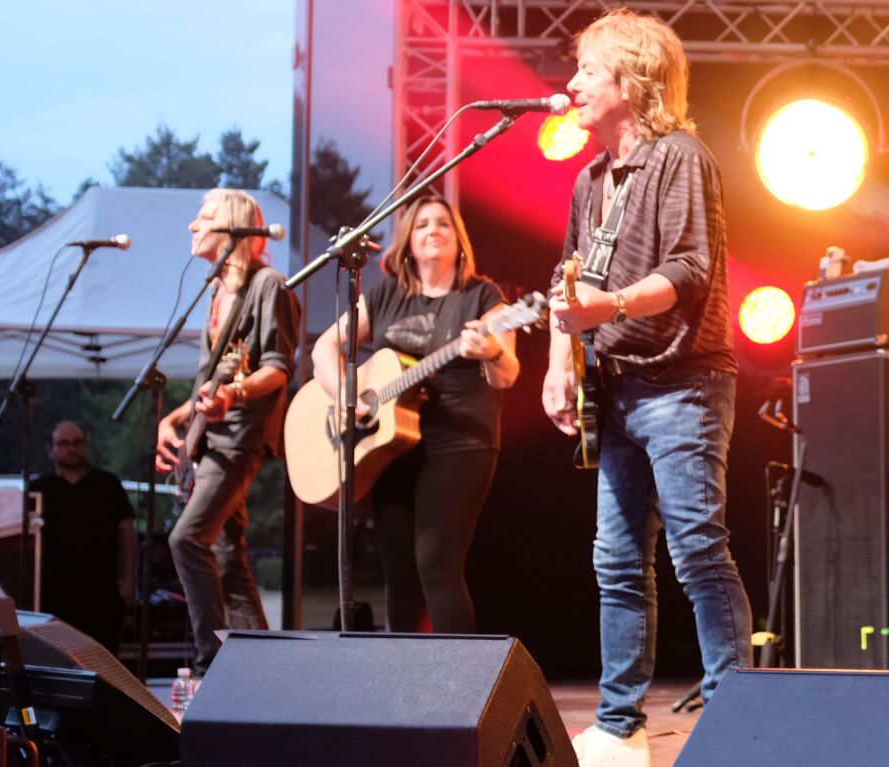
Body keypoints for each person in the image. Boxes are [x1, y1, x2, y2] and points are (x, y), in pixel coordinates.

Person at [540, 10, 752, 767]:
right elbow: (567, 283)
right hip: (616, 387)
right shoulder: (588, 180)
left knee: (697, 548)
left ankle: (737, 716)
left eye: (585, 70)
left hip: (682, 382)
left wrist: (611, 306)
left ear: (628, 82)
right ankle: (620, 723)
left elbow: (690, 272)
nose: (569, 83)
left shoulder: (680, 156)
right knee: (616, 559)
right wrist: (560, 362)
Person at [311, 194, 520, 633]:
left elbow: (506, 375)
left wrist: (490, 352)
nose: (432, 230)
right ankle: (405, 688)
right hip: (392, 444)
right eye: (422, 224)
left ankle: (461, 689)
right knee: (399, 572)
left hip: (461, 440)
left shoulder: (484, 297)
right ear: (407, 242)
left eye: (443, 224)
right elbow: (324, 347)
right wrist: (348, 397)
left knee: (436, 562)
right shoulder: (387, 293)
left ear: (459, 240)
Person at [155, 189, 299, 674]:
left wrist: (233, 397)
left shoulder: (268, 285)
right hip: (212, 438)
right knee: (227, 555)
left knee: (186, 540)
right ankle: (258, 671)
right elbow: (210, 379)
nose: (192, 226)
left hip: (240, 440)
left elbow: (278, 367)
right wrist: (175, 418)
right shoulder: (219, 292)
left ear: (234, 225)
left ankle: (210, 666)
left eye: (204, 217)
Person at [32, 421, 137, 655]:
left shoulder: (108, 484)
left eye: (77, 442)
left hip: (102, 591)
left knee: (104, 659)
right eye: (63, 443)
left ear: (86, 446)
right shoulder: (37, 488)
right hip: (52, 592)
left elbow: (127, 531)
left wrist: (128, 581)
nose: (71, 448)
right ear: (51, 449)